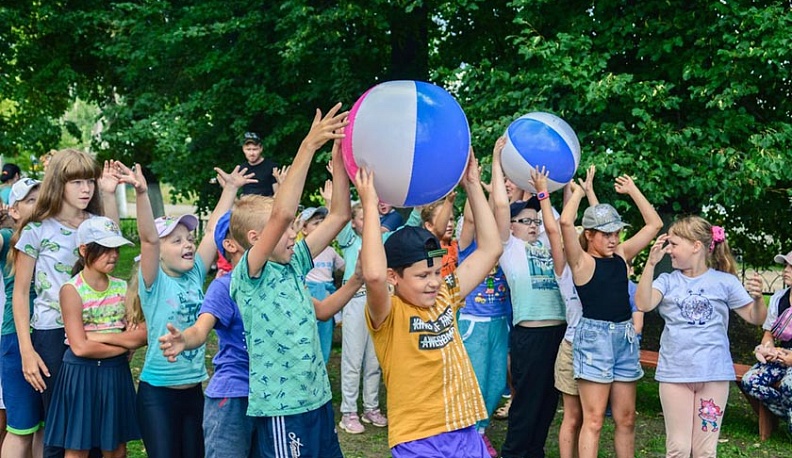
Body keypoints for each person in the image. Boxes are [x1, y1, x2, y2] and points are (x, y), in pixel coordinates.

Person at [157, 195, 362, 458]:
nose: (283, 234)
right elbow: (200, 330)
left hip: (270, 391)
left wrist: (356, 280)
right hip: (236, 392)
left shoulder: (280, 275)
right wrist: (184, 340)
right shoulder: (226, 286)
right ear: (234, 243)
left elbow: (320, 311)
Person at [357, 147, 502, 457]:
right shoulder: (389, 313)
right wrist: (370, 205)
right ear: (394, 277)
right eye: (423, 276)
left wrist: (473, 184)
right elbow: (372, 276)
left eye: (436, 272)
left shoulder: (446, 294)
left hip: (463, 427)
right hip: (418, 438)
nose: (434, 282)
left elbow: (490, 249)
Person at [229, 104, 350, 456]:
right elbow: (282, 213)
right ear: (255, 238)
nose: (292, 232)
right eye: (284, 231)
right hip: (284, 408)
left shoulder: (294, 261)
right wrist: (308, 145)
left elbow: (340, 214)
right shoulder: (250, 274)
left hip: (318, 398)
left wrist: (340, 156)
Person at [127, 159, 253, 458]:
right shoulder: (153, 282)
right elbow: (147, 240)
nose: (187, 244)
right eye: (176, 240)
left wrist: (231, 190)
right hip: (157, 395)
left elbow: (213, 231)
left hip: (195, 390)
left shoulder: (196, 271)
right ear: (160, 252)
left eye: (188, 239)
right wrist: (142, 194)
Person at [11, 150, 121, 458]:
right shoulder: (36, 230)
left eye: (90, 181)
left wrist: (110, 194)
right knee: (62, 431)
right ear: (58, 183)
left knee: (100, 428)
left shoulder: (97, 223)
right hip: (51, 335)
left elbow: (111, 248)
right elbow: (20, 294)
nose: (86, 189)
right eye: (76, 182)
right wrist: (27, 351)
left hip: (96, 331)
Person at [636, 217, 766, 456]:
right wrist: (650, 265)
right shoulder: (667, 280)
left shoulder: (724, 282)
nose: (669, 250)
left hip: (714, 374)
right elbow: (643, 304)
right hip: (675, 374)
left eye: (674, 244)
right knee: (679, 448)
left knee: (705, 451)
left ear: (696, 246)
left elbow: (755, 317)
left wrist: (758, 299)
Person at [559, 173, 662, 458]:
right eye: (606, 234)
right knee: (592, 421)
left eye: (616, 233)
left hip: (625, 337)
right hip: (593, 340)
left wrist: (633, 190)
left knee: (626, 418)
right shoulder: (581, 262)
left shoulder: (621, 255)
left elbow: (654, 224)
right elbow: (565, 223)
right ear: (589, 235)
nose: (614, 239)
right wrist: (579, 193)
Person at [490, 139, 567, 458]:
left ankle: (534, 452)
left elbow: (557, 220)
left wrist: (550, 186)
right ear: (511, 226)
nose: (534, 225)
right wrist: (497, 160)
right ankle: (515, 453)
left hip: (559, 333)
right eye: (526, 221)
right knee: (526, 403)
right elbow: (497, 205)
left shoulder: (548, 245)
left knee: (549, 402)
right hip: (530, 334)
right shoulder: (510, 249)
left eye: (536, 221)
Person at [43, 217, 143, 457]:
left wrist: (95, 336)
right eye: (105, 249)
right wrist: (121, 344)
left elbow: (140, 336)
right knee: (78, 446)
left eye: (116, 248)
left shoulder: (122, 288)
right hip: (80, 374)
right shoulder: (72, 289)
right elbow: (80, 348)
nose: (114, 255)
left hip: (115, 373)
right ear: (84, 250)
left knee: (116, 447)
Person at [336, 200, 388, 434]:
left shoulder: (383, 241)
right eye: (363, 218)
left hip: (378, 301)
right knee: (353, 359)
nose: (369, 221)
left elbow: (413, 223)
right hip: (355, 300)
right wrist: (332, 200)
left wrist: (416, 209)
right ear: (355, 224)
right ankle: (348, 412)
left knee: (374, 360)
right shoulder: (349, 241)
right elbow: (341, 219)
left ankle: (371, 407)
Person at [1, 178, 41, 457]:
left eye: (41, 198)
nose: (38, 205)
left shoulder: (54, 234)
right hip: (15, 337)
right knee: (21, 427)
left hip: (47, 332)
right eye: (29, 201)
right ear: (13, 211)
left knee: (44, 426)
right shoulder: (7, 239)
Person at [742, 250, 792, 431]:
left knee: (788, 385)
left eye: (791, 266)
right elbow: (768, 334)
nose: (786, 270)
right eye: (785, 265)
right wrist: (768, 349)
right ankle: (788, 415)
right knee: (750, 381)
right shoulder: (779, 298)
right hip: (781, 356)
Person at [300, 205, 346, 363]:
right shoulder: (300, 249)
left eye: (323, 223)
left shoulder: (330, 251)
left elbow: (346, 268)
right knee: (306, 333)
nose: (321, 227)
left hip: (327, 294)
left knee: (325, 334)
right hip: (309, 292)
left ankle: (322, 367)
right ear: (304, 229)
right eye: (315, 223)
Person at [238, 131, 279, 197]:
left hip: (266, 204)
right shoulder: (241, 169)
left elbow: (277, 194)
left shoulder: (272, 167)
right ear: (243, 149)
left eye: (255, 149)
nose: (251, 153)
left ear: (261, 149)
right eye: (248, 149)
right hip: (246, 204)